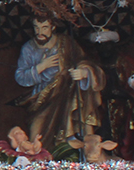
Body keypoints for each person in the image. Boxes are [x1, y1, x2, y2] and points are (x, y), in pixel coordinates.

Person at [14, 17, 106, 157]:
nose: (40, 32)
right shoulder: (28, 48)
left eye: (44, 27)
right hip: (42, 98)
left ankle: (73, 150)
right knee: (37, 135)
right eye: (36, 27)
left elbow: (84, 61)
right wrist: (41, 67)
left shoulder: (66, 43)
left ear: (53, 27)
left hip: (66, 93)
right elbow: (20, 78)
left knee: (74, 104)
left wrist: (83, 72)